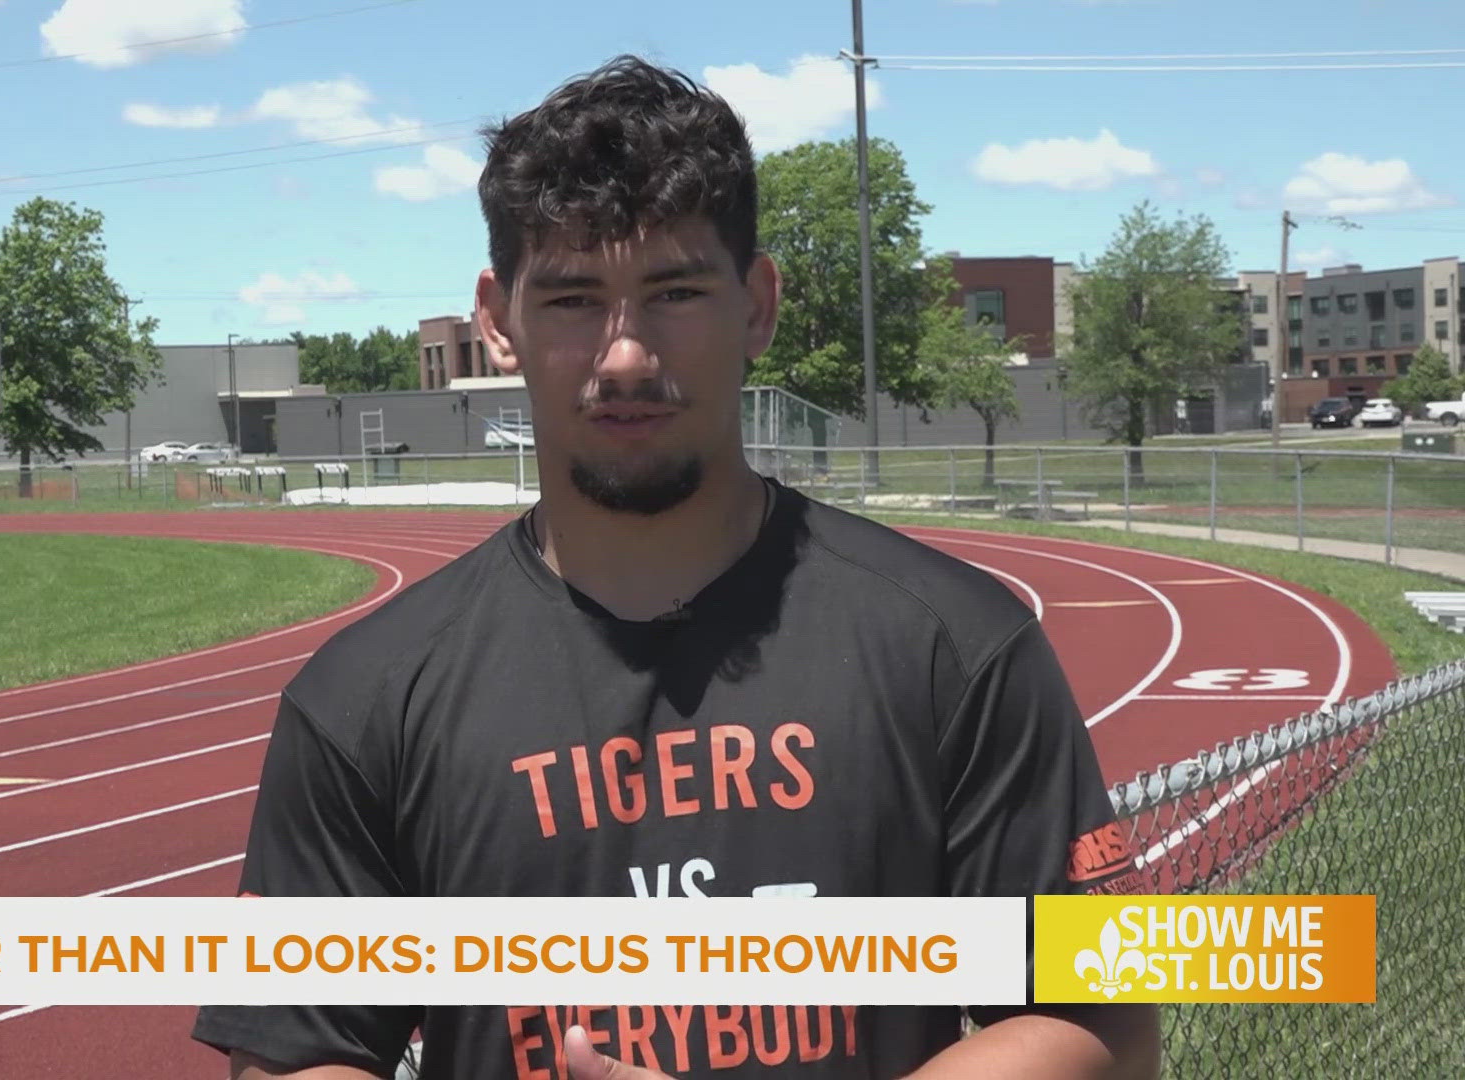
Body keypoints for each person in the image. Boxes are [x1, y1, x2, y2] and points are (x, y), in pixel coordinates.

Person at [191, 54, 1158, 1080]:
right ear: (496, 319)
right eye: (570, 300)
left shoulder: (955, 648)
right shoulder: (363, 703)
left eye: (676, 291)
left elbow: (1099, 1027)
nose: (623, 356)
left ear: (756, 304)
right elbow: (299, 1054)